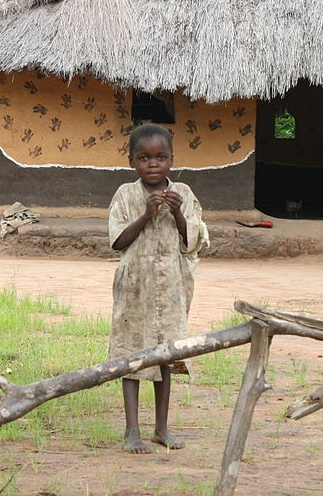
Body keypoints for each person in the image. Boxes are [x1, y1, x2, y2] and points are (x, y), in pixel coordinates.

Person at [107, 124, 209, 454]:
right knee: (133, 357)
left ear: (172, 160)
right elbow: (118, 241)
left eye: (161, 157)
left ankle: (162, 428)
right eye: (144, 158)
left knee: (165, 356)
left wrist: (177, 211)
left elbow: (193, 240)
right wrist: (146, 214)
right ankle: (132, 431)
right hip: (134, 288)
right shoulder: (125, 194)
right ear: (132, 162)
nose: (153, 164)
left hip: (172, 289)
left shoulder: (185, 194)